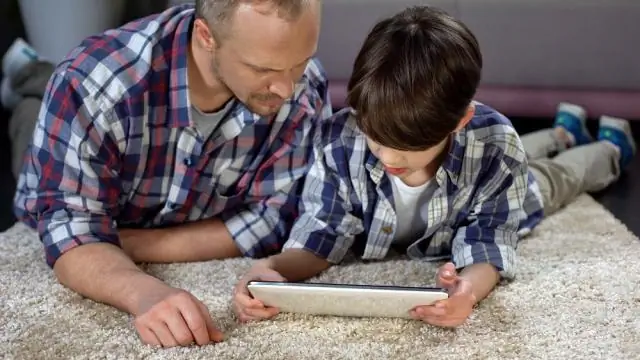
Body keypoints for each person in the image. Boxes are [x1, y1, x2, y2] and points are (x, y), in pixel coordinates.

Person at [232, 5, 636, 326]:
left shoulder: (495, 145)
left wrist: (468, 291)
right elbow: (322, 232)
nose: (388, 158)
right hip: (480, 154)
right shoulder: (340, 139)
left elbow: (488, 241)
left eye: (408, 146)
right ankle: (560, 133)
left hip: (506, 177)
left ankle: (609, 147)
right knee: (521, 148)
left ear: (460, 121)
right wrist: (271, 269)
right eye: (376, 137)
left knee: (557, 178)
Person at [4, 0, 330, 348]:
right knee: (34, 108)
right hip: (53, 131)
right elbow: (69, 230)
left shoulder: (304, 90)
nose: (286, 88)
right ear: (206, 36)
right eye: (261, 68)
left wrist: (122, 242)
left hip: (153, 209)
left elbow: (274, 216)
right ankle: (28, 77)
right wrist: (144, 292)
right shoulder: (91, 82)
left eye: (300, 61)